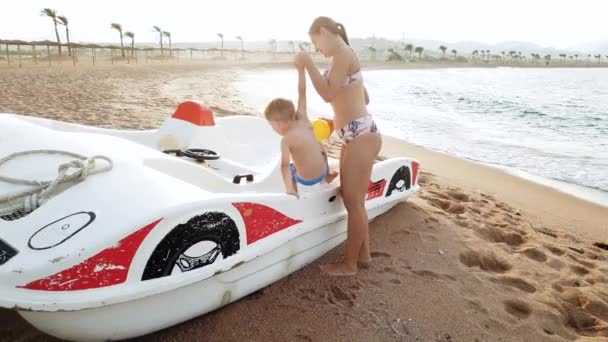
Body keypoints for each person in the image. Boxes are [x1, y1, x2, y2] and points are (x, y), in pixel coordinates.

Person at [294, 16, 381, 276]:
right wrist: (342, 115)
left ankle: (349, 265)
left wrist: (308, 64)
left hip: (362, 137)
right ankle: (363, 256)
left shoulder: (343, 53)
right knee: (351, 197)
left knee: (354, 202)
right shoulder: (342, 58)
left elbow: (328, 94)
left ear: (323, 31)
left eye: (315, 43)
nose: (317, 49)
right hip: (354, 135)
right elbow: (364, 96)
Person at [264, 66, 337, 198]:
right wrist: (301, 71)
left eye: (272, 125)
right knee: (320, 147)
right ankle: (327, 176)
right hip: (322, 170)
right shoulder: (303, 118)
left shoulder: (286, 140)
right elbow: (302, 92)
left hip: (307, 180)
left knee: (291, 169)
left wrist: (288, 188)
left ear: (279, 123)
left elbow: (284, 166)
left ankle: (295, 193)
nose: (272, 128)